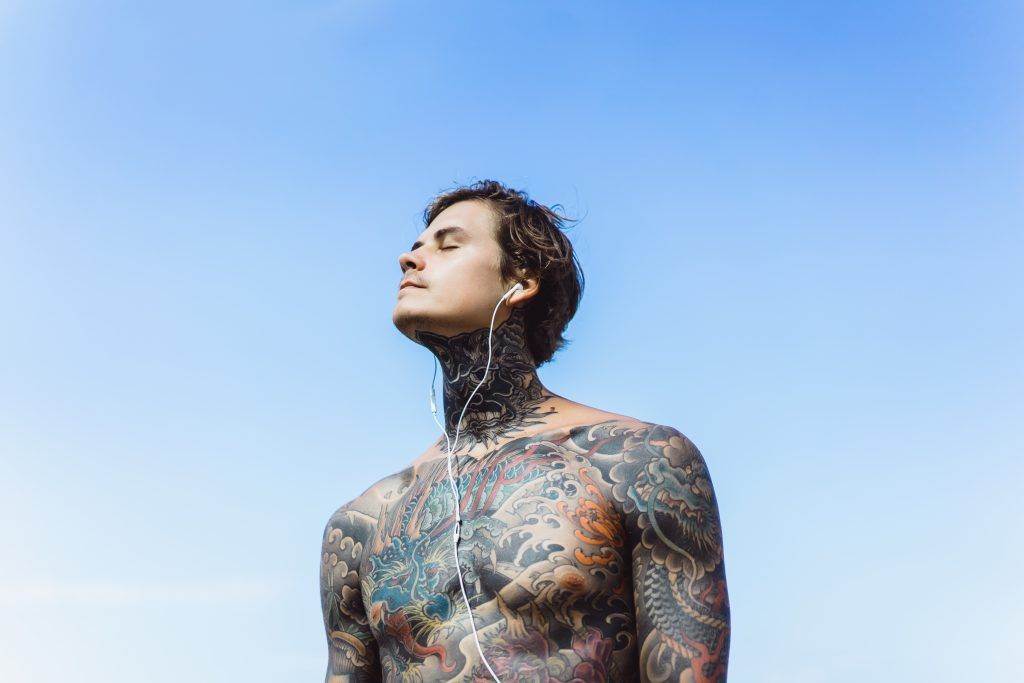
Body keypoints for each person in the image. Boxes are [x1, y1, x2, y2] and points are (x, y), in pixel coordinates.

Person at [319, 179, 731, 682]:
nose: (409, 260)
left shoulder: (638, 461)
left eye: (448, 245)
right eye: (414, 248)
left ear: (521, 281)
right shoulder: (360, 523)